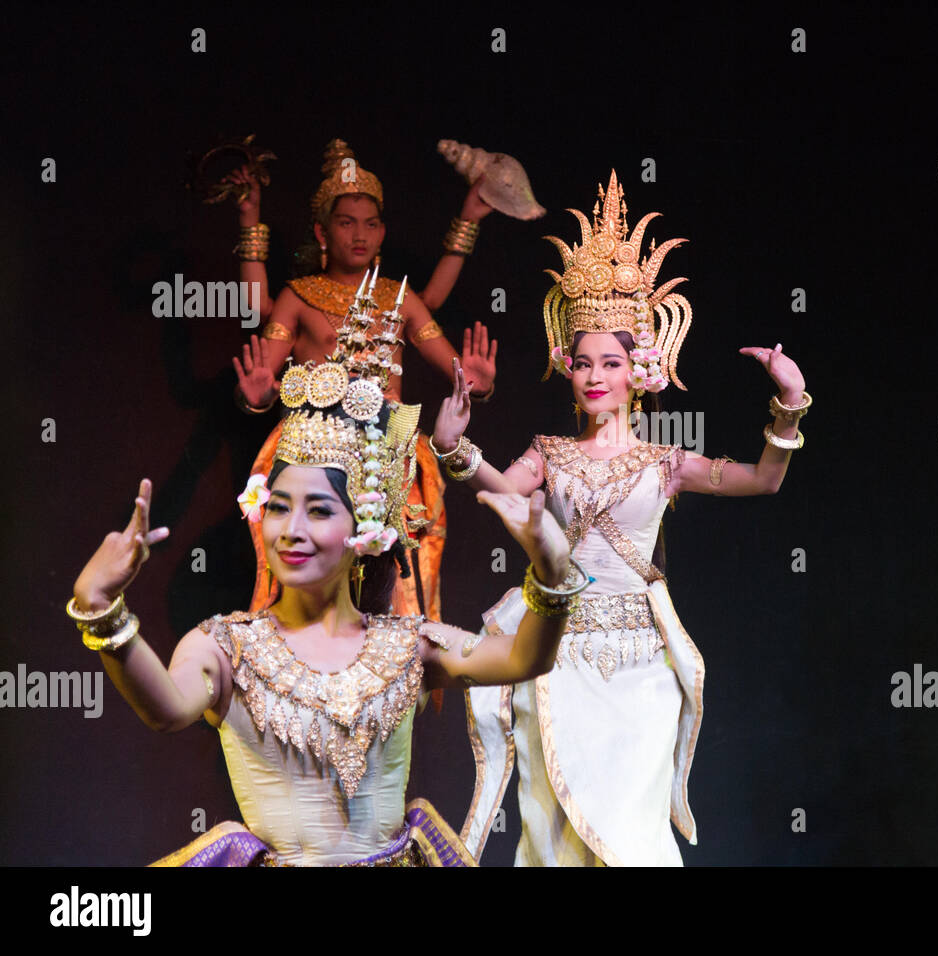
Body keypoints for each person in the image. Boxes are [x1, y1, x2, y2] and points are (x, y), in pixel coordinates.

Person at [66, 293, 588, 867]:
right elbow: (165, 708)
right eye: (280, 506)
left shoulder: (405, 645)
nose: (291, 530)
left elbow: (525, 660)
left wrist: (552, 570)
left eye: (318, 511)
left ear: (365, 529)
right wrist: (100, 606)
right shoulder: (225, 647)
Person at [429, 171, 811, 865]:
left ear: (642, 369)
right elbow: (500, 491)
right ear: (565, 368)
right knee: (551, 821)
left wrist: (789, 405)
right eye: (583, 363)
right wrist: (455, 447)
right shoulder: (548, 454)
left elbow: (764, 480)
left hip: (640, 666)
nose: (596, 374)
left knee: (633, 829)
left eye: (612, 361)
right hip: (556, 654)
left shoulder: (667, 461)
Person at [228, 139, 499, 620]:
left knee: (402, 578)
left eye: (371, 224)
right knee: (305, 575)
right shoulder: (298, 295)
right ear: (323, 231)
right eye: (346, 222)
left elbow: (453, 365)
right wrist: (257, 397)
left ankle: (394, 675)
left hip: (390, 451)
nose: (360, 234)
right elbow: (262, 361)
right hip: (314, 449)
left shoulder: (399, 297)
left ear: (382, 232)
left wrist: (472, 380)